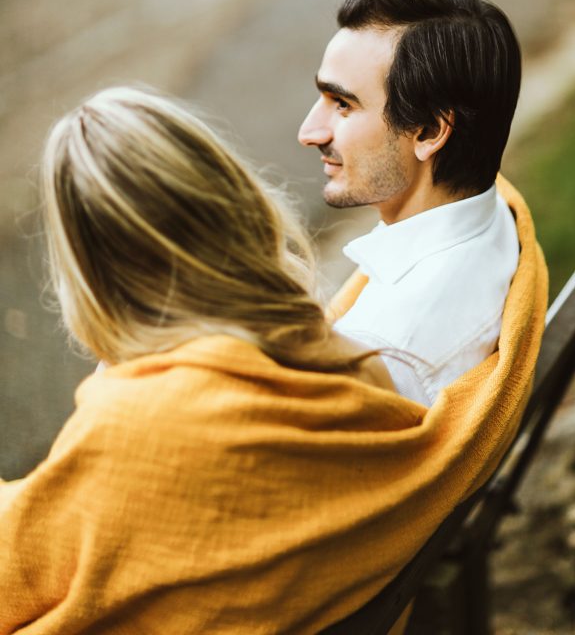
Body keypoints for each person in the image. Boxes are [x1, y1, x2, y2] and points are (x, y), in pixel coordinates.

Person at [1, 84, 546, 635]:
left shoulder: (138, 423)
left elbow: (24, 561)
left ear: (90, 270)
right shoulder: (334, 357)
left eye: (343, 102)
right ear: (229, 198)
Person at [298, 0, 527, 405]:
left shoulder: (382, 353)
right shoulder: (490, 213)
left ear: (428, 131)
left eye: (342, 104)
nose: (308, 132)